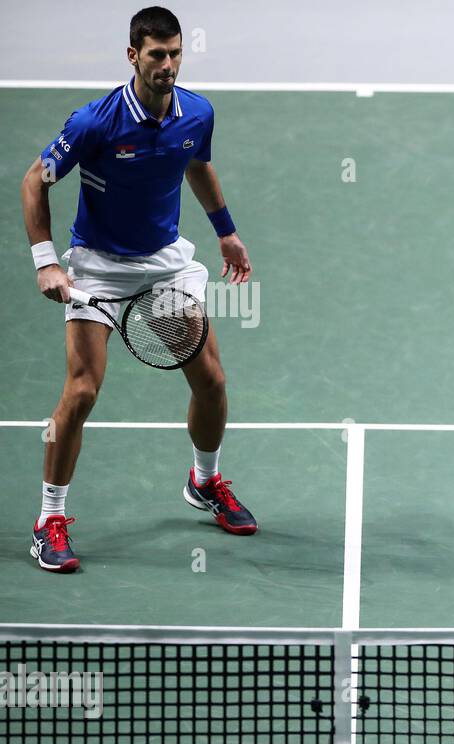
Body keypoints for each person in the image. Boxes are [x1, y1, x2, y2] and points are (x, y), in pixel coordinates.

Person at [19, 6, 257, 574]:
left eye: (175, 53)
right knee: (81, 393)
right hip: (98, 269)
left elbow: (196, 163)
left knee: (212, 383)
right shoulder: (94, 123)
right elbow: (35, 181)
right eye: (157, 55)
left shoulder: (197, 113)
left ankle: (204, 483)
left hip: (164, 267)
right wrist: (46, 262)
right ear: (133, 56)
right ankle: (49, 520)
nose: (168, 64)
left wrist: (227, 233)